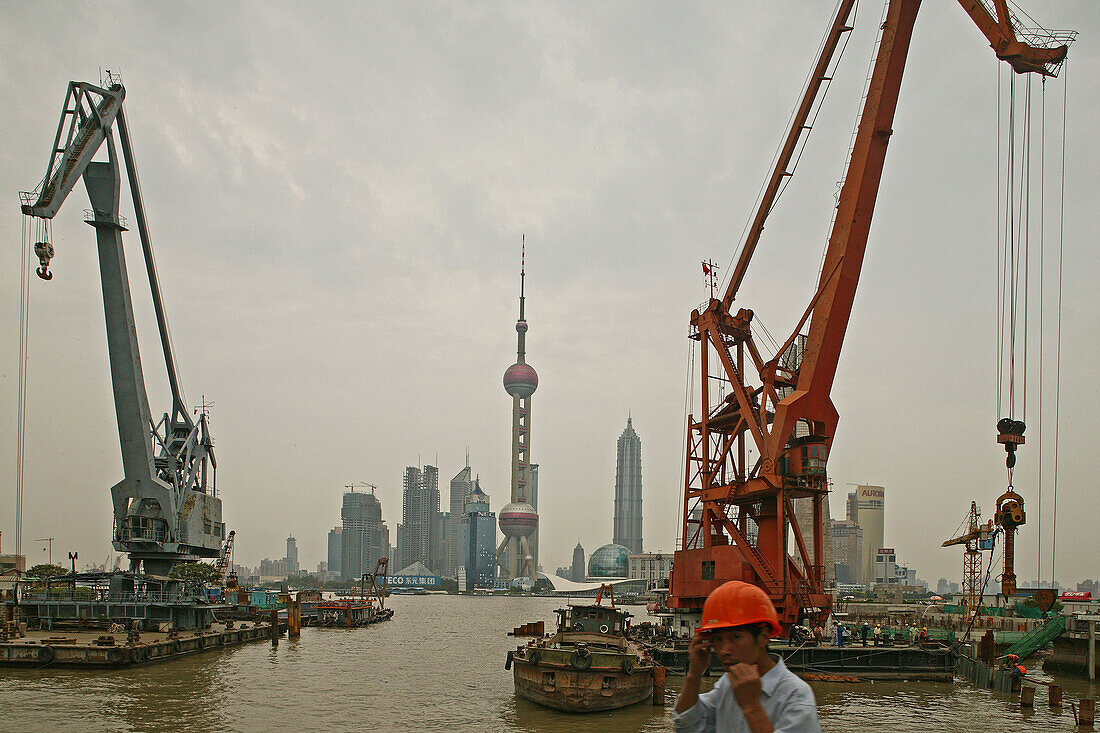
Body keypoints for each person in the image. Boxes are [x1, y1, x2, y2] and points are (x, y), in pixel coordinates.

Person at [674, 580, 822, 732]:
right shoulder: (727, 685)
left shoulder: (795, 697)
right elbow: (687, 726)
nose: (724, 650)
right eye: (718, 639)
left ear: (763, 637)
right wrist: (694, 675)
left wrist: (751, 707)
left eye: (735, 637)